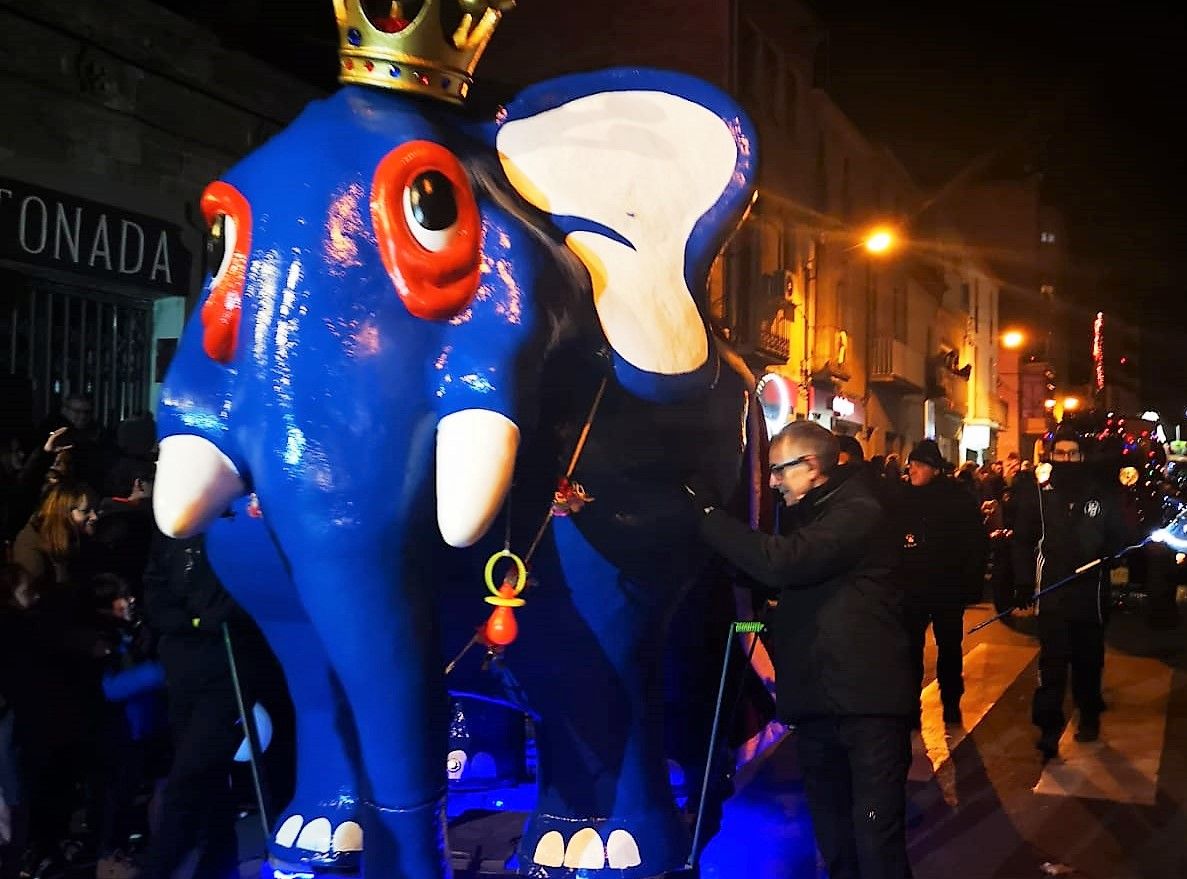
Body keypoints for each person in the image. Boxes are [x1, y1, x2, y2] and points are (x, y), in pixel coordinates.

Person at [686, 420, 915, 879]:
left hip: (865, 705)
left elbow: (783, 562)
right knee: (833, 836)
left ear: (811, 467)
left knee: (875, 838)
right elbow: (778, 571)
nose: (772, 482)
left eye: (779, 471)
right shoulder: (815, 515)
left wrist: (709, 517)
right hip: (820, 702)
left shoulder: (858, 511)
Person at [1011, 427, 1130, 760]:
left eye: (1071, 453)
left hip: (1089, 593)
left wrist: (1113, 552)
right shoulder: (1039, 494)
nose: (1065, 459)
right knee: (1052, 664)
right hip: (1052, 591)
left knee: (1088, 661)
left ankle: (1088, 715)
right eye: (1059, 453)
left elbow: (1119, 534)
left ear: (1081, 456)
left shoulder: (1101, 493)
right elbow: (1023, 539)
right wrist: (1022, 583)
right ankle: (1049, 729)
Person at [893, 440, 988, 726]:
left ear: (935, 470)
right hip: (912, 589)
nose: (913, 470)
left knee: (949, 648)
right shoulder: (902, 498)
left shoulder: (957, 499)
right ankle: (909, 705)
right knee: (909, 650)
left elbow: (975, 544)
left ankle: (950, 702)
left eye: (920, 465)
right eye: (912, 464)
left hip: (947, 587)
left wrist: (971, 584)